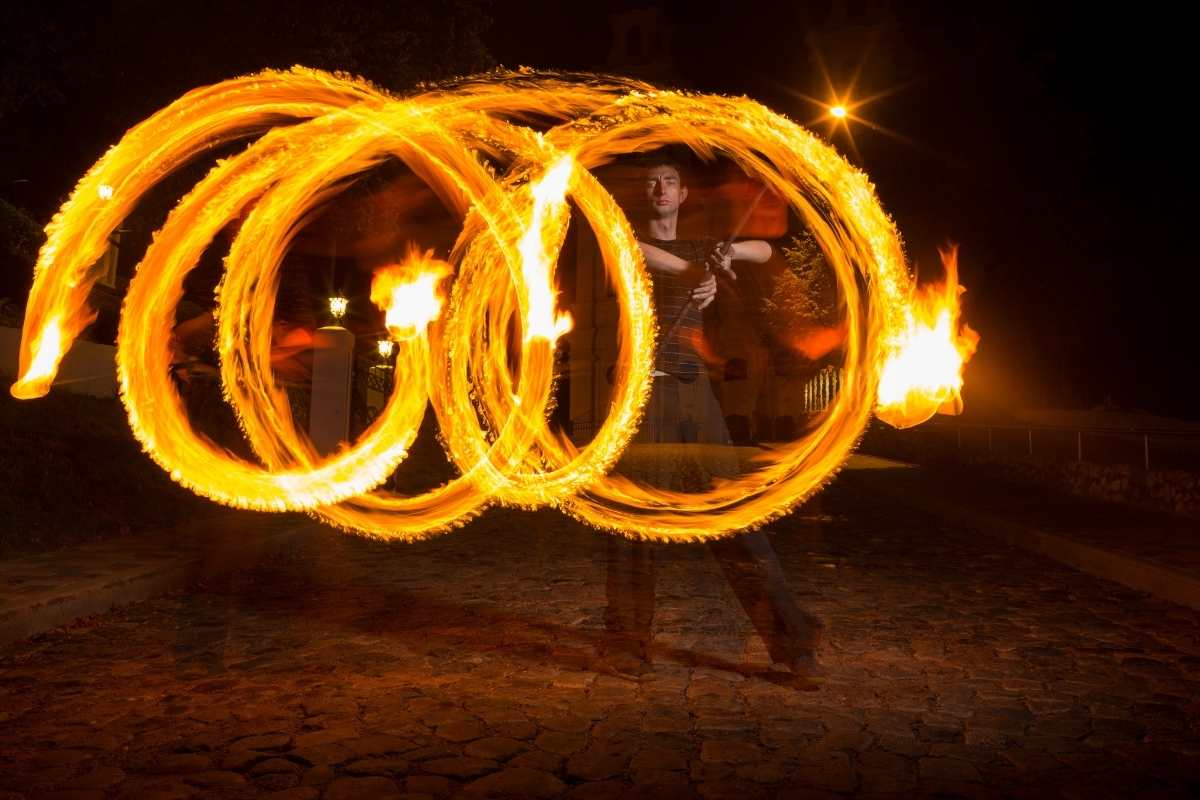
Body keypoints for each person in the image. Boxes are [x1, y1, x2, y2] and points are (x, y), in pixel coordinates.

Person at [599, 154, 824, 685]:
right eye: (652, 182)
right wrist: (696, 270)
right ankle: (627, 647)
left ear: (681, 196)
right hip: (640, 392)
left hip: (693, 392)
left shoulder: (703, 250)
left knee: (734, 513)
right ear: (645, 195)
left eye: (670, 181)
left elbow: (764, 247)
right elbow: (640, 254)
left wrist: (725, 255)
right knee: (635, 520)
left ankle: (794, 644)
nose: (660, 188)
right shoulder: (619, 238)